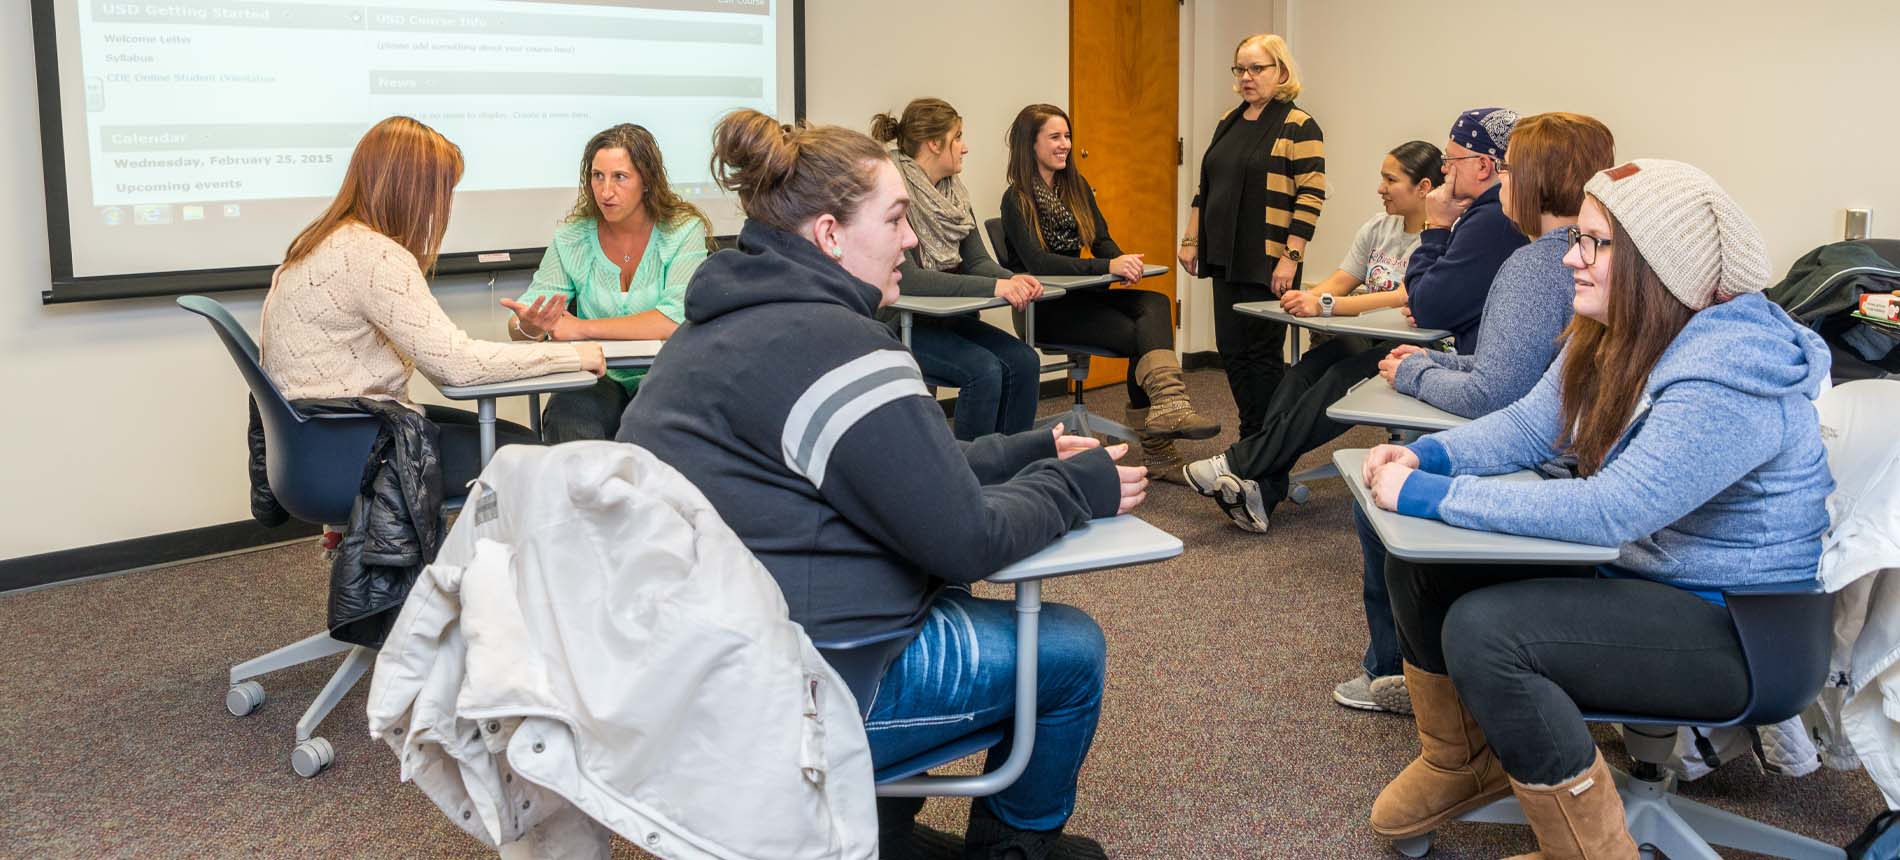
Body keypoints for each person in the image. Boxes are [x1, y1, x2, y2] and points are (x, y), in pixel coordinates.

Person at [619, 108, 1148, 860]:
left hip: (692, 678)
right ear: (831, 235)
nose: (910, 239)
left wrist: (1029, 449)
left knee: (928, 582)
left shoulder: (719, 328)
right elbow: (968, 538)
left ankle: (878, 829)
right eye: (896, 218)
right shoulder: (839, 344)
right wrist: (1077, 488)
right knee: (1067, 650)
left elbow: (892, 470)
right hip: (800, 690)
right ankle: (1011, 851)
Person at [1361, 159, 1832, 858]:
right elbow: (1529, 427)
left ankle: (1591, 851)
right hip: (1645, 576)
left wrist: (1433, 496)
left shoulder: (1733, 366)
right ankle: (1465, 763)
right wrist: (1428, 459)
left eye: (1594, 244)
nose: (1572, 259)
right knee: (1425, 568)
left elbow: (1613, 509)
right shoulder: (1617, 328)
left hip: (1742, 624)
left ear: (1656, 262)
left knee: (1491, 633)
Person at [1334, 112, 1616, 715]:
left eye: (1509, 170)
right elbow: (1532, 372)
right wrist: (1442, 368)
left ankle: (1403, 674)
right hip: (1569, 451)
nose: (1500, 182)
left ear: (1532, 180)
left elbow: (1496, 394)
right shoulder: (1587, 261)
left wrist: (1414, 373)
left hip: (1555, 468)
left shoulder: (1539, 263)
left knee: (1376, 507)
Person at [1182, 109, 1526, 535]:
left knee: (1343, 377)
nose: (1444, 173)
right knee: (1303, 374)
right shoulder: (1420, 223)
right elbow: (1388, 288)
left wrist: (1435, 232)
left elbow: (1425, 302)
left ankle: (1242, 464)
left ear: (1483, 166)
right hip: (1394, 337)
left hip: (1440, 352)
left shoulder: (1474, 221)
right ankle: (1259, 482)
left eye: (1450, 163)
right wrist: (1314, 297)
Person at [259, 116, 605, 490]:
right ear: (413, 190)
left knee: (520, 442)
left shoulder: (324, 240)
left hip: (319, 439)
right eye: (443, 191)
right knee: (542, 460)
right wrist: (572, 355)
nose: (445, 206)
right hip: (360, 445)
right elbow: (457, 365)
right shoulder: (374, 256)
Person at [999, 102, 1220, 478]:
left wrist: (1123, 262)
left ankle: (1169, 404)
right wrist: (1106, 268)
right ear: (1029, 144)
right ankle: (1158, 447)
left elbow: (1101, 240)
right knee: (1143, 335)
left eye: (1067, 136)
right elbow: (1040, 263)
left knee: (1154, 301)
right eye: (1054, 137)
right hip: (1047, 309)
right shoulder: (1016, 199)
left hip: (1085, 297)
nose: (1065, 144)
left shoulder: (1075, 186)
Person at [503, 123, 712, 442]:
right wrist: (529, 325)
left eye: (620, 177)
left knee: (650, 429)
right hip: (596, 375)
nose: (605, 191)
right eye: (597, 176)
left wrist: (582, 328)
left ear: (646, 181)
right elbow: (527, 319)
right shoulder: (571, 238)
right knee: (569, 419)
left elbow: (673, 320)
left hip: (667, 374)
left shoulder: (682, 231)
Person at [1178, 33, 1325, 440]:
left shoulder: (1300, 125)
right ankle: (1253, 429)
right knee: (1231, 348)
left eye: (1256, 68)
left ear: (1281, 71)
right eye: (1240, 69)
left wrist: (1290, 258)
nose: (1246, 77)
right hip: (1224, 252)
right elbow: (1204, 186)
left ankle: (1267, 438)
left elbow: (1310, 196)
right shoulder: (1229, 120)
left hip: (1269, 256)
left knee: (1262, 352)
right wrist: (1191, 238)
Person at [873, 98, 1044, 441]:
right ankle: (969, 478)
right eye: (958, 137)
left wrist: (1012, 279)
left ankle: (1011, 470)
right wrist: (994, 289)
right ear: (934, 143)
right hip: (903, 323)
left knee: (1025, 362)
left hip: (949, 318)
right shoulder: (890, 189)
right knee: (984, 371)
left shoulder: (954, 193)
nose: (965, 148)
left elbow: (977, 260)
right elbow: (910, 279)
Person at [1276, 141, 1442, 323]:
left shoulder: (1441, 237)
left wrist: (1323, 304)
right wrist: (1299, 299)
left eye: (1391, 180)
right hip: (1371, 335)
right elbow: (1341, 281)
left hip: (1411, 344)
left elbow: (1402, 296)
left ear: (1423, 187)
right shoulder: (1377, 227)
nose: (1381, 188)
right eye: (1383, 179)